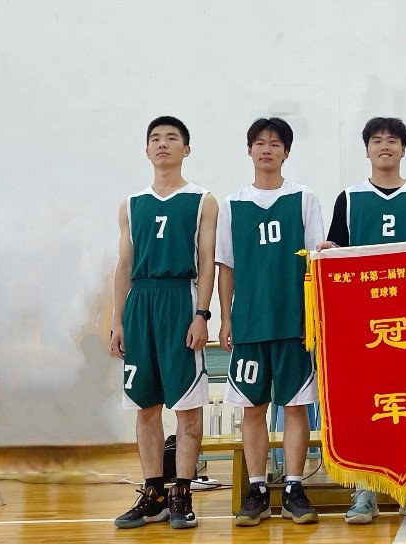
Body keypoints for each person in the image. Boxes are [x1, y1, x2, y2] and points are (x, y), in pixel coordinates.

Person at [318, 116, 406, 523]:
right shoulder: (349, 198)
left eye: (392, 140)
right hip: (363, 324)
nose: (385, 146)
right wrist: (327, 252)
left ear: (404, 149)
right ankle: (365, 490)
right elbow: (337, 250)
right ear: (367, 150)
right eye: (377, 140)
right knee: (364, 401)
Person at [217, 117, 324, 527]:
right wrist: (225, 318)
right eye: (260, 143)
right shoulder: (232, 204)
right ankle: (258, 489)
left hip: (294, 321)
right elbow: (226, 266)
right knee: (253, 408)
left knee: (296, 407)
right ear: (249, 150)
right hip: (249, 322)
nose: (267, 149)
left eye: (275, 143)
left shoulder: (304, 198)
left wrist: (313, 317)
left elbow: (316, 261)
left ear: (286, 152)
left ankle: (295, 487)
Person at [111, 116, 218, 530]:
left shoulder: (203, 200)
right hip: (141, 302)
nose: (162, 144)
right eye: (155, 139)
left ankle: (182, 493)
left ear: (186, 149)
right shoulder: (131, 204)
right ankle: (154, 493)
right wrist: (118, 321)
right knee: (145, 407)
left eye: (172, 138)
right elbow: (123, 265)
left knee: (188, 407)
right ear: (146, 150)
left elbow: (207, 261)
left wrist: (202, 314)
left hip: (180, 300)